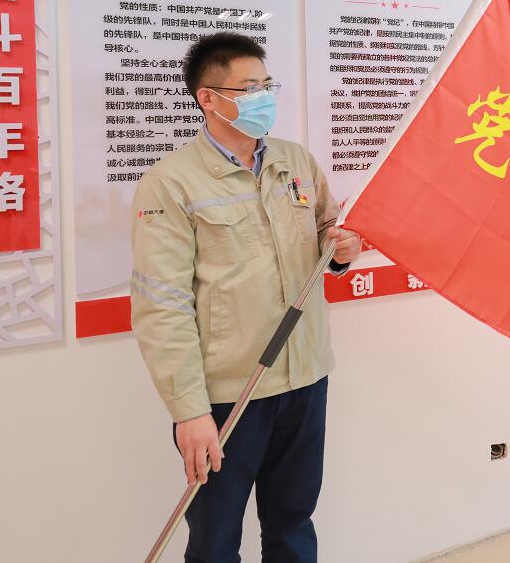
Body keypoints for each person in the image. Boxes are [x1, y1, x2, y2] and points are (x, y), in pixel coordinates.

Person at [131, 32, 361, 562]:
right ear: (208, 98)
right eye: (249, 88)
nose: (263, 98)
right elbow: (162, 306)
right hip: (228, 393)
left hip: (304, 377)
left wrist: (341, 247)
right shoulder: (171, 183)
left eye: (267, 85)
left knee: (292, 524)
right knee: (215, 541)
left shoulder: (294, 161)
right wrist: (189, 410)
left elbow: (327, 232)